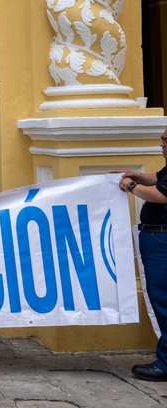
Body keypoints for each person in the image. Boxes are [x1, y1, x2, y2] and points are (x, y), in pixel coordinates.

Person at [111, 130, 167, 383]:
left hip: (161, 240)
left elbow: (160, 194)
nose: (161, 144)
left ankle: (165, 364)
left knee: (163, 298)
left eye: (166, 140)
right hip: (157, 237)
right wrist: (136, 174)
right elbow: (156, 179)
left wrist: (131, 186)